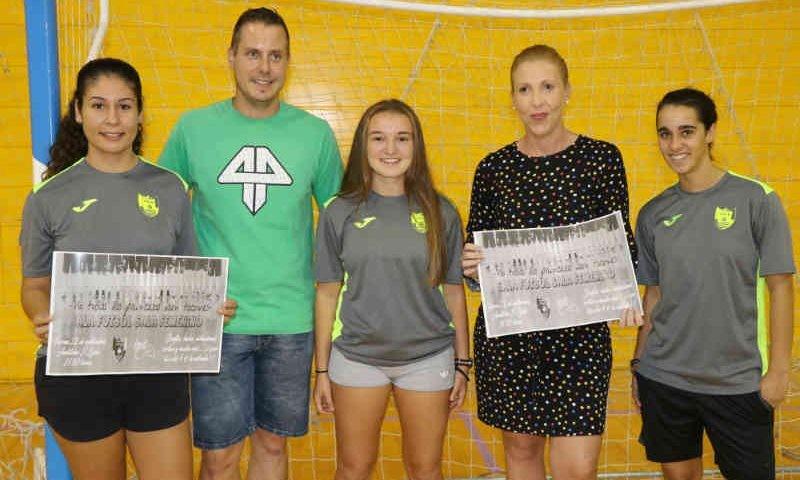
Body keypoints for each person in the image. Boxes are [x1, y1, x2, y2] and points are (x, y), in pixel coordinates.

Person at [20, 57, 235, 480]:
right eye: (99, 106)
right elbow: (33, 286)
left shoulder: (169, 188)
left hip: (154, 370)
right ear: (79, 112)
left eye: (124, 106)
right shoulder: (48, 197)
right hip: (78, 372)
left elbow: (188, 275)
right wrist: (40, 313)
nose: (112, 119)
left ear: (140, 113)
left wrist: (209, 307)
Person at [158, 7, 343, 480]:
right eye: (253, 54)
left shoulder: (315, 134)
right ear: (232, 58)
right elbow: (159, 216)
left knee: (273, 448)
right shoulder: (192, 129)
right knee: (218, 456)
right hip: (219, 319)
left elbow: (341, 223)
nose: (264, 67)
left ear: (288, 62)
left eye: (275, 56)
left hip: (291, 319)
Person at [461, 45, 640, 479]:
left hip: (579, 341)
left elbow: (620, 243)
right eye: (524, 89)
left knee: (577, 469)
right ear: (512, 98)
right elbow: (477, 256)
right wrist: (471, 267)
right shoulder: (492, 169)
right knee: (521, 455)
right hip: (511, 339)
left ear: (566, 92)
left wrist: (625, 291)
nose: (536, 101)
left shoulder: (602, 159)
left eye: (547, 87)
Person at [632, 87, 794, 480]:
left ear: (710, 133)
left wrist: (779, 372)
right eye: (665, 133)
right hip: (665, 378)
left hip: (737, 383)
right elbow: (653, 295)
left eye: (686, 131)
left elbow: (781, 288)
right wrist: (638, 365)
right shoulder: (653, 213)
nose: (674, 144)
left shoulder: (757, 200)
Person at [313, 99, 470, 480]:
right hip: (357, 359)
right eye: (378, 138)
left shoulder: (441, 211)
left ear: (416, 147)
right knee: (354, 467)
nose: (390, 149)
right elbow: (327, 293)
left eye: (402, 139)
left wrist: (463, 362)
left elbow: (453, 291)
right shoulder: (339, 211)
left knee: (425, 468)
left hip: (427, 358)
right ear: (363, 147)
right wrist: (320, 369)